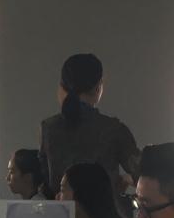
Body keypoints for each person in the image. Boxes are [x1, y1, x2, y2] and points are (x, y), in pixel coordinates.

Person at [39, 53, 140, 201]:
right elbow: (143, 174)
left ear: (62, 87)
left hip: (63, 212)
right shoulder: (114, 129)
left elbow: (43, 181)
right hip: (104, 212)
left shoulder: (48, 128)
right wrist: (126, 179)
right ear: (98, 88)